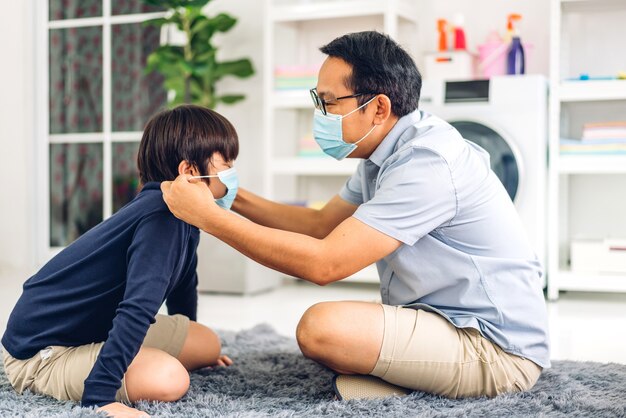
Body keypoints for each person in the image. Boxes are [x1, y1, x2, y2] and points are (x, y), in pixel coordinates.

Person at [160, 31, 550, 400]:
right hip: (444, 322)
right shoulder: (382, 155)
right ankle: (406, 379)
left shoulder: (428, 163)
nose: (321, 113)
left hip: (496, 350)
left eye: (329, 102)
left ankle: (427, 384)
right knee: (334, 333)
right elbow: (318, 225)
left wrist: (209, 218)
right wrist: (227, 192)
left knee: (322, 329)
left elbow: (326, 264)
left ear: (378, 107)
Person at [1, 105, 237, 417]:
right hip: (41, 354)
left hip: (92, 329)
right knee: (169, 378)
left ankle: (127, 359)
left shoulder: (181, 212)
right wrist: (101, 396)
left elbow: (184, 283)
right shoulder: (161, 219)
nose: (232, 174)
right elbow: (137, 308)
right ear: (189, 172)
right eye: (227, 164)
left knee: (206, 343)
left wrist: (186, 341)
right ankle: (98, 381)